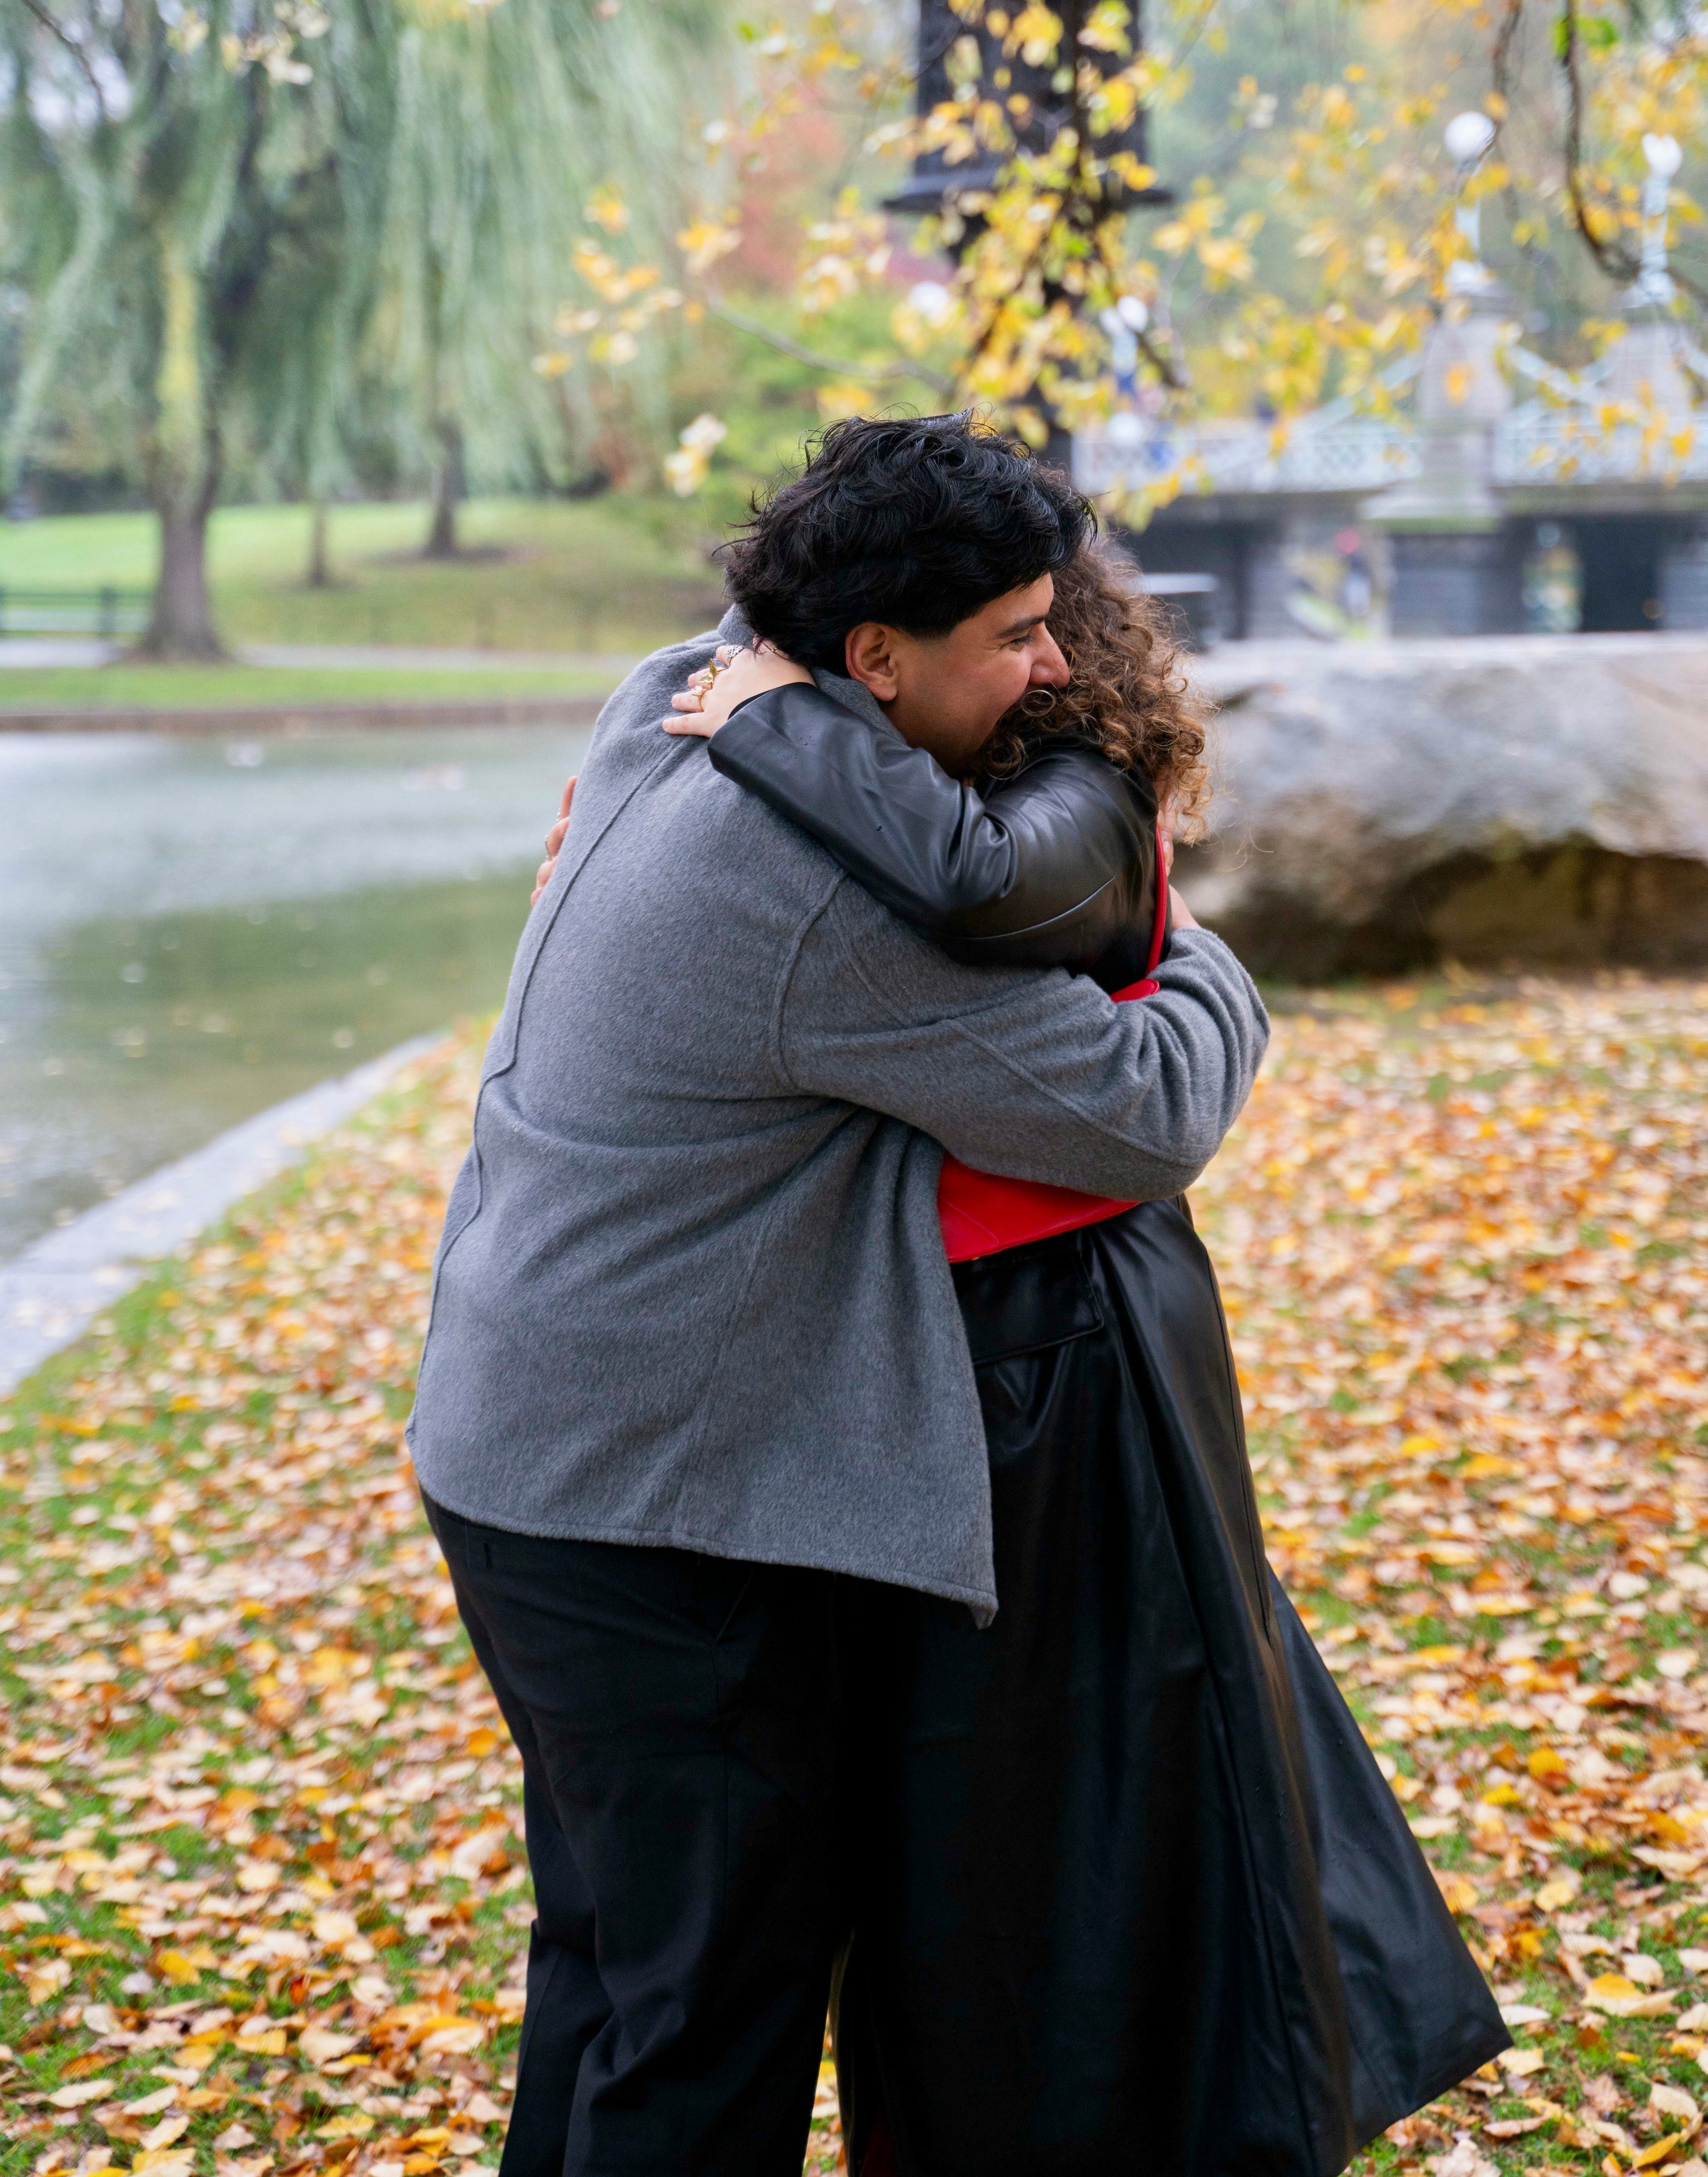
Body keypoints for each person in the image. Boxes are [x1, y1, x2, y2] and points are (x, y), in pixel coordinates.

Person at [410, 414, 1270, 2177]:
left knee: (615, 1972)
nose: (1050, 670)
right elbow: (1144, 1111)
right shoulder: (817, 901)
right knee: (710, 2015)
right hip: (660, 1518)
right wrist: (1203, 955)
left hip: (525, 1455)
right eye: (1015, 634)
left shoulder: (675, 691)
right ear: (872, 660)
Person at [657, 532, 1509, 2177]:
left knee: (1109, 1792)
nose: (1031, 664)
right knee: (972, 1825)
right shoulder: (856, 778)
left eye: (1034, 637)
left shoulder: (1052, 789)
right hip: (959, 1351)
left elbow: (1016, 928)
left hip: (1070, 1343)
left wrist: (780, 725)